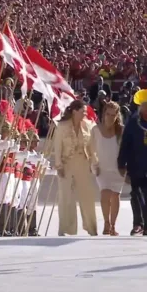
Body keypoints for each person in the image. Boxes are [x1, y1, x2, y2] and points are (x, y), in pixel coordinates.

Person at [118, 87, 147, 236]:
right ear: (140, 107)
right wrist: (121, 163)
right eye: (146, 107)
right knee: (136, 195)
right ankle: (138, 223)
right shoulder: (133, 123)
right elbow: (125, 144)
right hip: (135, 165)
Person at [54, 99, 98, 236]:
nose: (85, 113)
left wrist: (94, 163)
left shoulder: (89, 125)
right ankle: (66, 229)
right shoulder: (62, 126)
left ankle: (92, 228)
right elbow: (57, 147)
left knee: (87, 197)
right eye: (82, 111)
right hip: (67, 164)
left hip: (83, 163)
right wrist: (58, 165)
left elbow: (92, 147)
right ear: (74, 111)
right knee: (66, 197)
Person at [90, 101, 124, 236]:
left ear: (117, 116)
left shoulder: (121, 130)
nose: (110, 117)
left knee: (115, 196)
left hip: (117, 169)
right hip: (102, 168)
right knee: (105, 195)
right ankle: (106, 223)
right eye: (107, 114)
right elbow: (91, 150)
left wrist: (125, 167)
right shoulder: (95, 130)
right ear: (103, 114)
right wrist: (94, 166)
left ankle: (113, 225)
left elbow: (125, 150)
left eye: (113, 115)